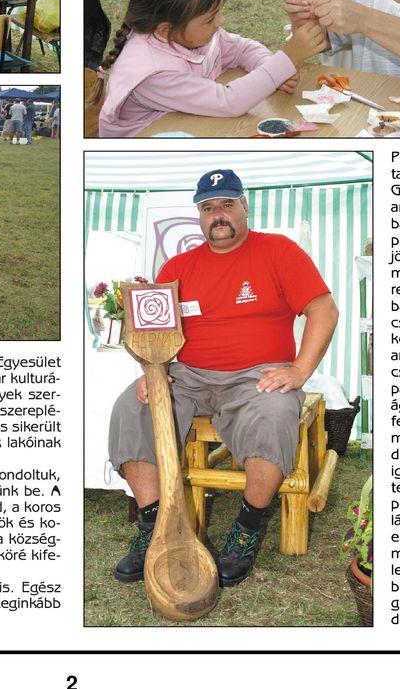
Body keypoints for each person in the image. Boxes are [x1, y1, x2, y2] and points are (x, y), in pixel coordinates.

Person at [108, 168, 338, 589]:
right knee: (131, 406)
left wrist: (300, 370)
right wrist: (152, 371)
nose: (218, 215)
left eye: (227, 204)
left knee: (273, 411)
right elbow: (153, 329)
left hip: (256, 375)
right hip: (187, 374)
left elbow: (324, 309)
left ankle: (247, 528)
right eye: (208, 207)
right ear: (199, 215)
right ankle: (151, 527)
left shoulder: (278, 251)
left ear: (244, 207)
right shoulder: (177, 266)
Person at [98, 0, 327, 139]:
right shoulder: (152, 73)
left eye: (218, 12)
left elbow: (242, 49)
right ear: (165, 29)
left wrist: (272, 69)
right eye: (210, 19)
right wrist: (288, 58)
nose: (220, 22)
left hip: (186, 122)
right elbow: (230, 102)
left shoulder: (191, 35)